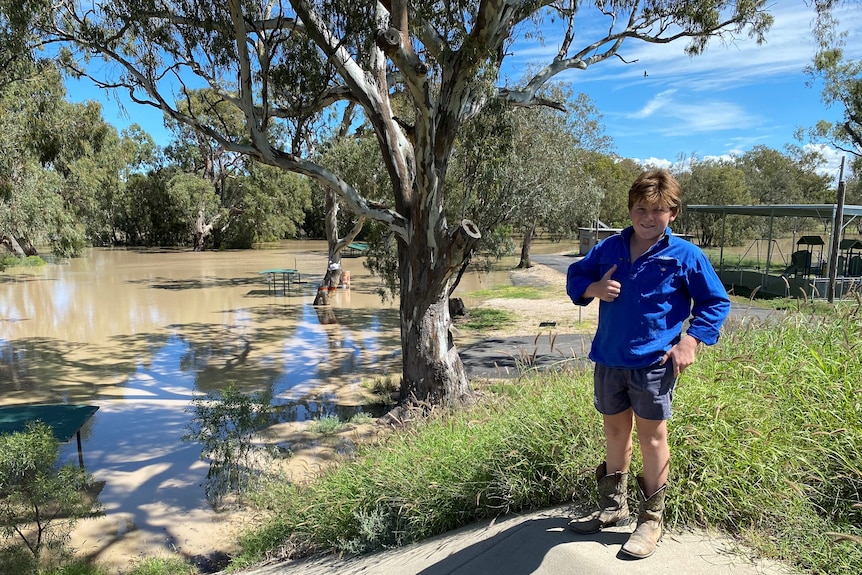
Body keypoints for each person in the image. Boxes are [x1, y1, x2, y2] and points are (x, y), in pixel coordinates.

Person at [565, 169, 730, 558]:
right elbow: (576, 275)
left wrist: (690, 340)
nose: (648, 218)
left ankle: (651, 520)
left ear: (673, 213)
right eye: (641, 209)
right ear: (630, 209)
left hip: (655, 364)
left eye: (659, 210)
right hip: (608, 358)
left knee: (651, 437)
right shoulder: (610, 248)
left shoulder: (685, 256)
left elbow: (715, 303)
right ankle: (612, 507)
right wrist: (593, 289)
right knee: (614, 432)